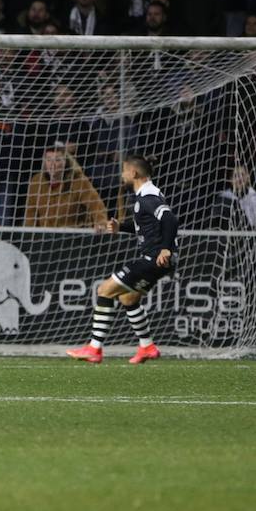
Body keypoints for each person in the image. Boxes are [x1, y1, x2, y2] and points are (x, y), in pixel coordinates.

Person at [67, 154, 177, 365]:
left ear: (134, 173)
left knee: (104, 291)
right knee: (128, 298)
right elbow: (147, 226)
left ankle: (94, 348)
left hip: (154, 258)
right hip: (159, 260)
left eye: (124, 170)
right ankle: (147, 346)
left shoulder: (147, 196)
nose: (122, 174)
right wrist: (122, 227)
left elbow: (170, 219)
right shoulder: (145, 195)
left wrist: (165, 249)